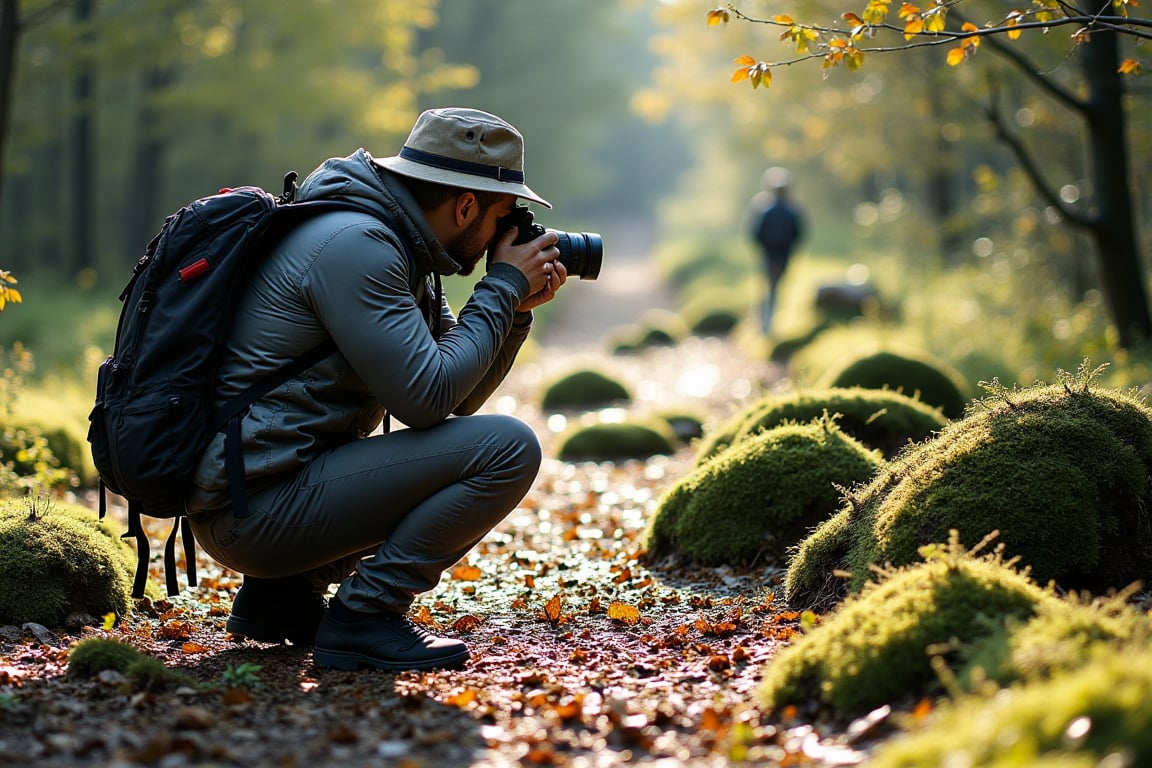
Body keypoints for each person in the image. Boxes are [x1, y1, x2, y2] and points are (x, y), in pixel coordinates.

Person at [185, 107, 568, 671]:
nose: (510, 236)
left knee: (479, 444)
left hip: (260, 494)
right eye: (506, 217)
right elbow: (427, 399)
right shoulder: (358, 246)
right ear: (465, 206)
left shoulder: (399, 247)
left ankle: (282, 598)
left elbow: (453, 402)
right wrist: (502, 285)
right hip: (253, 512)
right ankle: (366, 617)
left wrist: (510, 312)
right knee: (509, 448)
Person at [747, 166, 804, 334]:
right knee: (774, 287)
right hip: (782, 254)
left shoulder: (763, 207)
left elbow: (755, 233)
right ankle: (767, 324)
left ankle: (765, 324)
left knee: (768, 287)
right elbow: (798, 233)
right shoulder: (791, 209)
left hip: (769, 254)